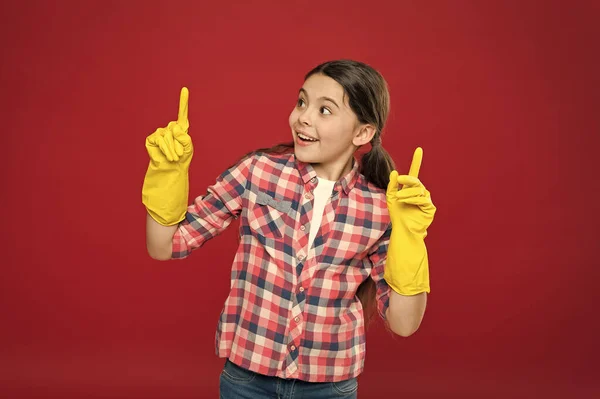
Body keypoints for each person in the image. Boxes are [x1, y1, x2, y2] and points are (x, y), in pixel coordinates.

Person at [142, 59, 436, 398]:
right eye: (302, 102)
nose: (303, 117)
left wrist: (410, 239)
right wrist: (168, 175)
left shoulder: (380, 208)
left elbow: (404, 323)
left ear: (363, 133)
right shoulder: (258, 173)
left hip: (329, 387)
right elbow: (165, 246)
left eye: (325, 110)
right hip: (247, 380)